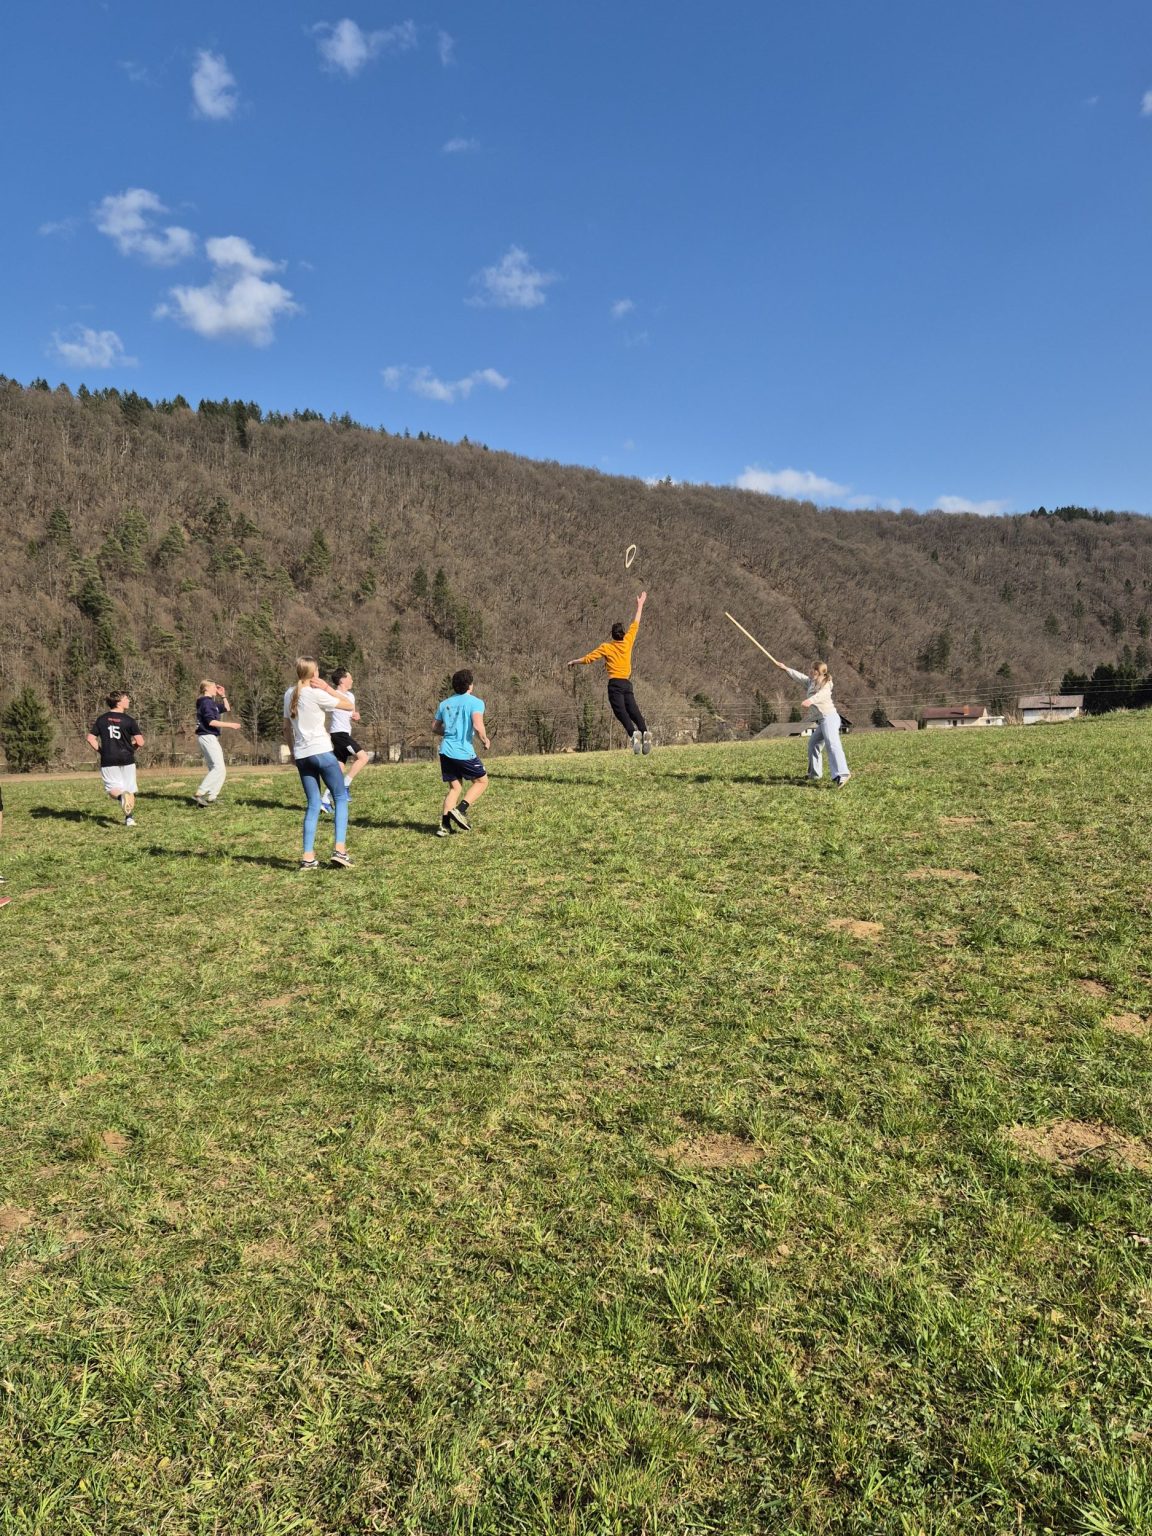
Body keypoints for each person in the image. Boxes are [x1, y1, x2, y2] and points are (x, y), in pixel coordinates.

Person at [282, 657, 354, 870]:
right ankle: (340, 850)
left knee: (313, 804)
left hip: (302, 755)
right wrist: (328, 688)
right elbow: (348, 705)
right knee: (340, 797)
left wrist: (293, 752)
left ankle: (308, 857)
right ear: (314, 673)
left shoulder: (289, 694)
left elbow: (286, 728)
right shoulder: (316, 693)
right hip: (321, 751)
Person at [567, 591, 652, 753]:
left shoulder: (606, 647)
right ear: (623, 633)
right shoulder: (628, 641)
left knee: (620, 712)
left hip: (615, 684)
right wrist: (640, 604)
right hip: (627, 684)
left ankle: (634, 734)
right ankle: (644, 732)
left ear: (612, 635)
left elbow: (588, 658)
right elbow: (636, 622)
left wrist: (574, 661)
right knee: (633, 710)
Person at [764, 651, 851, 786]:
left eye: (813, 669)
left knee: (832, 744)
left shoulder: (826, 683)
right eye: (811, 669)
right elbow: (799, 677)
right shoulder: (811, 682)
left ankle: (842, 774)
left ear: (819, 672)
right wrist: (785, 668)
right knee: (813, 744)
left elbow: (822, 695)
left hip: (829, 718)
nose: (810, 671)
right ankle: (815, 774)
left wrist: (810, 701)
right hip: (822, 720)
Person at [434, 669, 491, 837]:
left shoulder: (444, 704)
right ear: (470, 685)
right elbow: (478, 725)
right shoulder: (476, 702)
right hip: (462, 751)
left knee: (455, 788)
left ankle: (444, 826)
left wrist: (449, 732)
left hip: (445, 751)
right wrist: (485, 739)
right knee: (482, 781)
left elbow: (435, 728)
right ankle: (460, 810)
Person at [86, 692, 145, 825]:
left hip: (108, 759)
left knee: (113, 789)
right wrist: (131, 749)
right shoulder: (129, 720)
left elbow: (90, 738)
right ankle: (129, 819)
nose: (129, 700)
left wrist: (102, 751)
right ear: (118, 702)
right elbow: (140, 742)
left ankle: (120, 798)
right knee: (129, 790)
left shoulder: (101, 719)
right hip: (127, 758)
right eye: (126, 698)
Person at [319, 667, 373, 814]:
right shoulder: (332, 696)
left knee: (339, 769)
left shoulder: (351, 696)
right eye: (350, 677)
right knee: (363, 757)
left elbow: (351, 714)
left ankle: (324, 801)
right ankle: (345, 786)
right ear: (342, 680)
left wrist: (356, 716)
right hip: (339, 734)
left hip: (344, 733)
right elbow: (324, 709)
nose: (352, 680)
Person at [193, 680, 242, 807]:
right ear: (206, 688)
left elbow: (226, 708)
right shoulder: (206, 702)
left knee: (219, 769)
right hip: (208, 736)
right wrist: (231, 725)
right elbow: (211, 722)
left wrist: (223, 695)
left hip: (207, 737)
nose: (216, 689)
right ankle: (200, 793)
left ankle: (211, 797)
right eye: (214, 687)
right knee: (218, 768)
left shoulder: (211, 703)